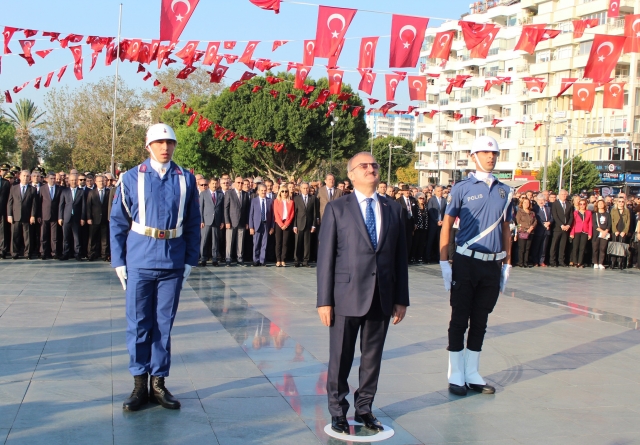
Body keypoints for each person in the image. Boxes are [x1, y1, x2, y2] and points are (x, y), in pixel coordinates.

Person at [110, 123, 200, 412]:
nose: (165, 147)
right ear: (148, 146)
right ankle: (139, 383)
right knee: (138, 324)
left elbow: (192, 222)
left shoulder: (185, 178)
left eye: (170, 142)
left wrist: (189, 259)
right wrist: (119, 261)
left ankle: (158, 383)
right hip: (140, 260)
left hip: (172, 261)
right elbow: (118, 222)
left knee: (163, 325)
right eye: (159, 142)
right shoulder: (130, 178)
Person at [317, 152, 408, 435]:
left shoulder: (393, 209)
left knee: (372, 358)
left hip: (382, 295)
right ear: (352, 175)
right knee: (340, 358)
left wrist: (401, 298)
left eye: (375, 165)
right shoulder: (337, 208)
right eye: (364, 166)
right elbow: (326, 258)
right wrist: (324, 300)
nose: (371, 169)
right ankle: (338, 411)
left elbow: (399, 256)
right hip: (346, 296)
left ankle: (365, 409)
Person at [439, 136, 513, 396]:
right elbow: (447, 224)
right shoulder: (461, 188)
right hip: (466, 261)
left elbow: (506, 228)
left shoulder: (505, 190)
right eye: (484, 152)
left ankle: (472, 372)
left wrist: (507, 264)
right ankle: (456, 372)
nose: (490, 156)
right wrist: (444, 262)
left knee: (481, 319)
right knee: (460, 318)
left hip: (492, 265)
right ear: (473, 156)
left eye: (494, 152)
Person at [7, 171, 38, 259]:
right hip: (15, 216)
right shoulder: (14, 188)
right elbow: (10, 202)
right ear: (20, 177)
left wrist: (33, 215)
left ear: (30, 178)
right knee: (15, 236)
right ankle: (14, 253)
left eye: (27, 176)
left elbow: (34, 204)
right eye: (24, 176)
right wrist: (9, 215)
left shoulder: (32, 189)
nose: (25, 178)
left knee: (28, 237)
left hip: (27, 216)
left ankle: (27, 253)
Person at [58, 174, 86, 261]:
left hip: (77, 218)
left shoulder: (81, 191)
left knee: (76, 237)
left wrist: (82, 218)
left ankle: (77, 254)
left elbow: (83, 206)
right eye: (72, 180)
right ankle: (65, 253)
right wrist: (60, 217)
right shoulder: (65, 191)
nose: (73, 182)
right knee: (66, 237)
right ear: (69, 181)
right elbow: (61, 205)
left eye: (75, 180)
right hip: (66, 217)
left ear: (77, 181)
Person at [224, 176, 250, 267]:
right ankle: (228, 259)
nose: (240, 184)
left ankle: (240, 258)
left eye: (241, 183)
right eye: (238, 182)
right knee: (229, 241)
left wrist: (247, 222)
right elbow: (226, 208)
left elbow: (247, 210)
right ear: (234, 183)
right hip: (231, 221)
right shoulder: (229, 193)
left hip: (242, 222)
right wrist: (227, 221)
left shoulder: (246, 194)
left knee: (240, 241)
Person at [199, 177, 225, 267]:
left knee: (215, 241)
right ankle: (203, 259)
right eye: (213, 183)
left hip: (217, 221)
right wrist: (201, 220)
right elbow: (200, 208)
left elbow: (222, 209)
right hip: (206, 221)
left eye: (216, 183)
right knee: (204, 240)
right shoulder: (203, 194)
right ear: (209, 184)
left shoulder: (220, 194)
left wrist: (222, 221)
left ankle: (215, 259)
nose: (214, 185)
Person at [86, 175, 111, 261]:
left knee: (105, 239)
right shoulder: (91, 193)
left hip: (105, 218)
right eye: (99, 181)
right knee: (92, 238)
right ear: (95, 182)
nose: (101, 183)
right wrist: (89, 217)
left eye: (103, 181)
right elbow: (88, 206)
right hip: (94, 219)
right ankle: (91, 254)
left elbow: (110, 206)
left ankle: (105, 255)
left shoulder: (109, 192)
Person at [248, 183, 274, 266]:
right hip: (256, 225)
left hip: (266, 224)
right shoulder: (254, 201)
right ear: (258, 191)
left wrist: (272, 227)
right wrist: (251, 227)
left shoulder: (270, 201)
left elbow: (273, 215)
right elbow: (251, 214)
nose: (263, 192)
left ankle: (262, 260)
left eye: (265, 190)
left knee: (264, 243)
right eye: (262, 190)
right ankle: (256, 260)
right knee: (256, 243)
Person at [293, 182, 317, 268]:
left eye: (307, 188)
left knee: (307, 243)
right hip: (299, 223)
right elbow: (295, 213)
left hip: (309, 224)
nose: (306, 190)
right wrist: (294, 225)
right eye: (304, 188)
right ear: (300, 189)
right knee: (298, 243)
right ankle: (297, 260)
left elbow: (315, 212)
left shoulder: (313, 198)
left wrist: (314, 225)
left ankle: (305, 261)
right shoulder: (296, 198)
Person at [40, 173, 62, 260]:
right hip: (44, 214)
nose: (53, 180)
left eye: (54, 178)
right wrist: (38, 215)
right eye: (51, 178)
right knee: (43, 235)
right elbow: (38, 203)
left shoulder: (59, 189)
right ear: (47, 179)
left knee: (54, 236)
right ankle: (43, 252)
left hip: (55, 215)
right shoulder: (42, 188)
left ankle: (54, 252)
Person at [550, 189, 573, 267]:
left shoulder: (569, 204)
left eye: (565, 195)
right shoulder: (555, 204)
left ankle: (561, 261)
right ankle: (552, 261)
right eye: (562, 194)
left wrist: (568, 225)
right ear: (559, 195)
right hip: (557, 228)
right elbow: (555, 216)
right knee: (554, 245)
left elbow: (571, 216)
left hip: (566, 228)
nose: (564, 196)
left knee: (562, 246)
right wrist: (561, 225)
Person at [273, 187, 294, 267]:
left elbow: (292, 214)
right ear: (280, 193)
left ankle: (283, 259)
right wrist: (281, 224)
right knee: (278, 242)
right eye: (282, 191)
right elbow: (276, 213)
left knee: (285, 243)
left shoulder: (291, 202)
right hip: (279, 223)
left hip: (287, 223)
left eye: (286, 191)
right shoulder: (276, 201)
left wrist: (286, 224)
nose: (284, 193)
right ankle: (278, 260)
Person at [569, 198, 592, 268]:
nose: (582, 205)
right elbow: (573, 223)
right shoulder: (575, 213)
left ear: (586, 205)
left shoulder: (589, 213)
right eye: (580, 204)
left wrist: (590, 233)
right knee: (575, 247)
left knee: (582, 247)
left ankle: (580, 262)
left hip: (585, 231)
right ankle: (575, 261)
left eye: (583, 204)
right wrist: (572, 233)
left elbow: (590, 224)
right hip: (577, 231)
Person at [396, 185, 417, 263]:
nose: (407, 192)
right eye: (405, 191)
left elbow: (416, 213)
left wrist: (415, 223)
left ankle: (407, 258)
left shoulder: (413, 200)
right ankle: (401, 258)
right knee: (402, 241)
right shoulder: (398, 201)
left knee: (409, 241)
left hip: (410, 222)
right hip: (402, 222)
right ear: (402, 192)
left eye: (408, 190)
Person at [426, 186, 447, 263]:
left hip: (442, 223)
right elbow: (430, 211)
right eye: (438, 191)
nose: (440, 192)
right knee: (430, 241)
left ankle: (439, 257)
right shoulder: (432, 200)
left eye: (441, 191)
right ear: (435, 192)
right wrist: (436, 221)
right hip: (433, 224)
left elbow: (446, 211)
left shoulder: (444, 200)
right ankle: (428, 257)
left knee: (440, 241)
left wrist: (443, 221)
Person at [531, 194, 552, 267]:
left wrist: (549, 222)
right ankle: (535, 261)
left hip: (547, 230)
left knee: (544, 247)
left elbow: (552, 217)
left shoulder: (548, 208)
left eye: (542, 200)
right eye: (539, 200)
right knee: (536, 246)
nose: (541, 201)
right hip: (539, 229)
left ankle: (541, 260)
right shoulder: (535, 209)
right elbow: (537, 219)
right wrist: (544, 224)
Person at [610, 196, 631, 270]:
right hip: (615, 230)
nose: (621, 203)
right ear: (617, 202)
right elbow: (611, 221)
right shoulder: (613, 210)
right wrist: (615, 230)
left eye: (622, 201)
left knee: (621, 247)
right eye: (619, 201)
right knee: (615, 246)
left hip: (623, 230)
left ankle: (620, 263)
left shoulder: (627, 211)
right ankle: (613, 262)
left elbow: (628, 222)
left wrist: (625, 231)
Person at [515, 197, 537, 268]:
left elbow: (535, 221)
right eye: (525, 202)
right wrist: (522, 229)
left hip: (531, 232)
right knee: (522, 248)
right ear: (522, 203)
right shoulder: (520, 212)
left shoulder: (532, 212)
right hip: (522, 232)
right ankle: (520, 262)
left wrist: (531, 227)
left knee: (527, 248)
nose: (526, 204)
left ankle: (525, 262)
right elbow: (518, 222)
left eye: (528, 203)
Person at [592, 198, 611, 270]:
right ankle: (595, 262)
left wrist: (605, 231)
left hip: (605, 234)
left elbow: (609, 224)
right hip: (597, 234)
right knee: (595, 248)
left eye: (602, 203)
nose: (600, 205)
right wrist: (601, 231)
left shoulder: (607, 214)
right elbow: (594, 225)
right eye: (599, 204)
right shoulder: (595, 214)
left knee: (602, 248)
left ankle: (601, 263)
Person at [412, 192, 429, 263]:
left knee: (422, 243)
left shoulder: (425, 206)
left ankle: (420, 257)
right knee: (415, 242)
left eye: (423, 198)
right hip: (417, 228)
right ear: (417, 199)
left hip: (424, 227)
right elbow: (414, 216)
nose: (422, 200)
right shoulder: (415, 207)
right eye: (420, 198)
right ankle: (413, 257)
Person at [0, 163, 12, 259]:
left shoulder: (5, 183)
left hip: (2, 210)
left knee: (2, 231)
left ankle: (2, 251)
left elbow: (9, 198)